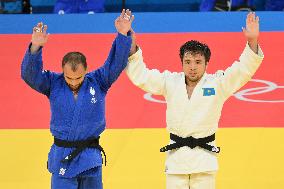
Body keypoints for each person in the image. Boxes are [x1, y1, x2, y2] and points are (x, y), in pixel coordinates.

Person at [126, 12, 263, 189]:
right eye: (188, 61)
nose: (192, 67)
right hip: (176, 160)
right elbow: (141, 76)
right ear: (181, 62)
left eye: (198, 62)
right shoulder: (170, 82)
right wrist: (130, 43)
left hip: (204, 161)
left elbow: (242, 70)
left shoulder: (217, 84)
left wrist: (252, 41)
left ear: (207, 64)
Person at [21, 9, 134, 189]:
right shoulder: (53, 83)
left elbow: (116, 63)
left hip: (90, 158)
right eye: (69, 78)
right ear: (62, 72)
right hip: (62, 158)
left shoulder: (99, 81)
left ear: (86, 71)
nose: (74, 82)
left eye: (78, 78)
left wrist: (122, 34)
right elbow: (30, 75)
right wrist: (35, 47)